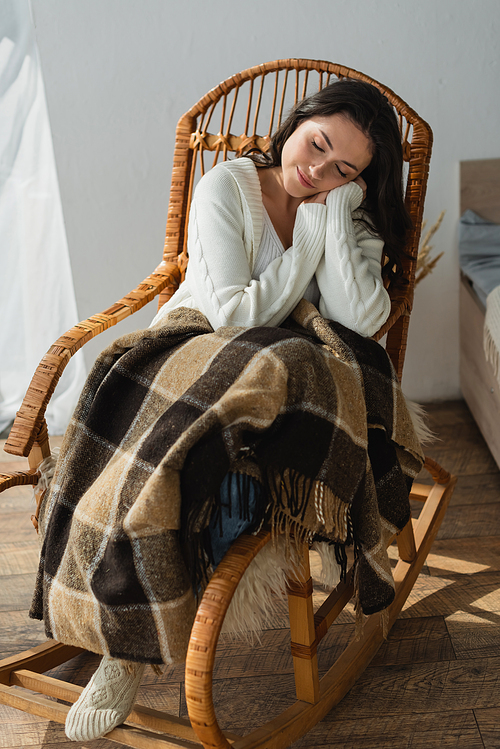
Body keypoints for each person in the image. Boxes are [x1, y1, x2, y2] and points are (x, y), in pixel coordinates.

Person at [57, 78, 412, 741]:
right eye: (318, 143)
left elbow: (361, 320)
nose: (317, 169)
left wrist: (333, 215)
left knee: (251, 468)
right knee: (157, 457)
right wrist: (305, 246)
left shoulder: (340, 212)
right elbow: (227, 315)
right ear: (298, 121)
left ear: (360, 183)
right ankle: (125, 646)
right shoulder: (230, 185)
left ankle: (148, 618)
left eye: (345, 169)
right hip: (195, 346)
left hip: (277, 369)